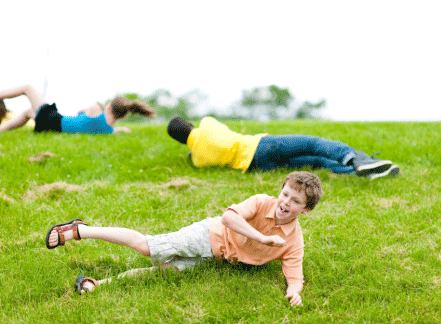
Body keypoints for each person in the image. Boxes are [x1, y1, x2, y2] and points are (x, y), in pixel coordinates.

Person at [45, 171, 323, 307]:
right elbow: (228, 218)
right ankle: (78, 230)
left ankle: (97, 284)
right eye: (285, 194)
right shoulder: (263, 202)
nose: (285, 202)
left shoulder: (293, 241)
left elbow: (294, 275)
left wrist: (294, 292)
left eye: (295, 200)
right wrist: (261, 237)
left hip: (216, 258)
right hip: (208, 235)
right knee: (146, 246)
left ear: (306, 210)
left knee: (161, 271)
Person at [167, 116, 400, 180]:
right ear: (189, 124)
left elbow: (196, 153)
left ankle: (365, 174)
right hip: (260, 145)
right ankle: (357, 160)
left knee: (314, 162)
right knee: (314, 144)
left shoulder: (197, 159)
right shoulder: (206, 125)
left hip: (257, 166)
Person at [0, 84, 155, 135]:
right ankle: (2, 130)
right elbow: (120, 131)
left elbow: (80, 111)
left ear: (109, 106)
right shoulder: (107, 130)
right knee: (29, 112)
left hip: (55, 120)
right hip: (54, 127)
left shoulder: (96, 110)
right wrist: (123, 129)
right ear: (122, 116)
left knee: (27, 88)